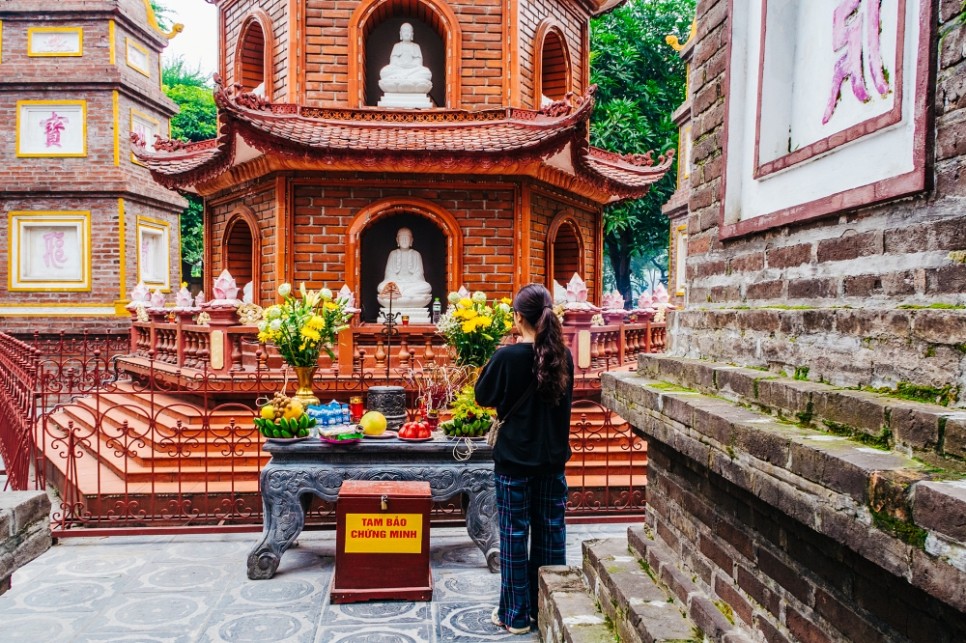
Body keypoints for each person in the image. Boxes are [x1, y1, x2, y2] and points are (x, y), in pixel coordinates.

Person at [475, 283, 575, 635]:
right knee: (551, 533)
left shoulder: (508, 356)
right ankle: (548, 608)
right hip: (551, 462)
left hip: (514, 463)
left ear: (518, 317)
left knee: (514, 535)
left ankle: (516, 615)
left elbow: (482, 394)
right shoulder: (564, 356)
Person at [376, 227, 433, 309]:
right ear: (397, 240)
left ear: (411, 240)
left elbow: (419, 273)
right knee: (381, 287)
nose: (404, 240)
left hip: (412, 284)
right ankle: (407, 295)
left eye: (407, 238)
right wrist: (398, 281)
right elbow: (389, 273)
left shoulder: (416, 254)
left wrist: (408, 281)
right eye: (402, 238)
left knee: (426, 286)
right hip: (396, 284)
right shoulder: (393, 254)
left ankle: (403, 294)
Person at [378, 23, 433, 94]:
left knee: (426, 72)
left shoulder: (416, 46)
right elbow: (393, 62)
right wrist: (401, 65)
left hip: (413, 70)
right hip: (399, 69)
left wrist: (410, 66)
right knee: (384, 72)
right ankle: (405, 77)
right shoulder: (397, 46)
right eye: (404, 31)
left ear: (412, 34)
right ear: (400, 34)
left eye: (408, 31)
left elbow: (418, 63)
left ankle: (401, 77)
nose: (406, 33)